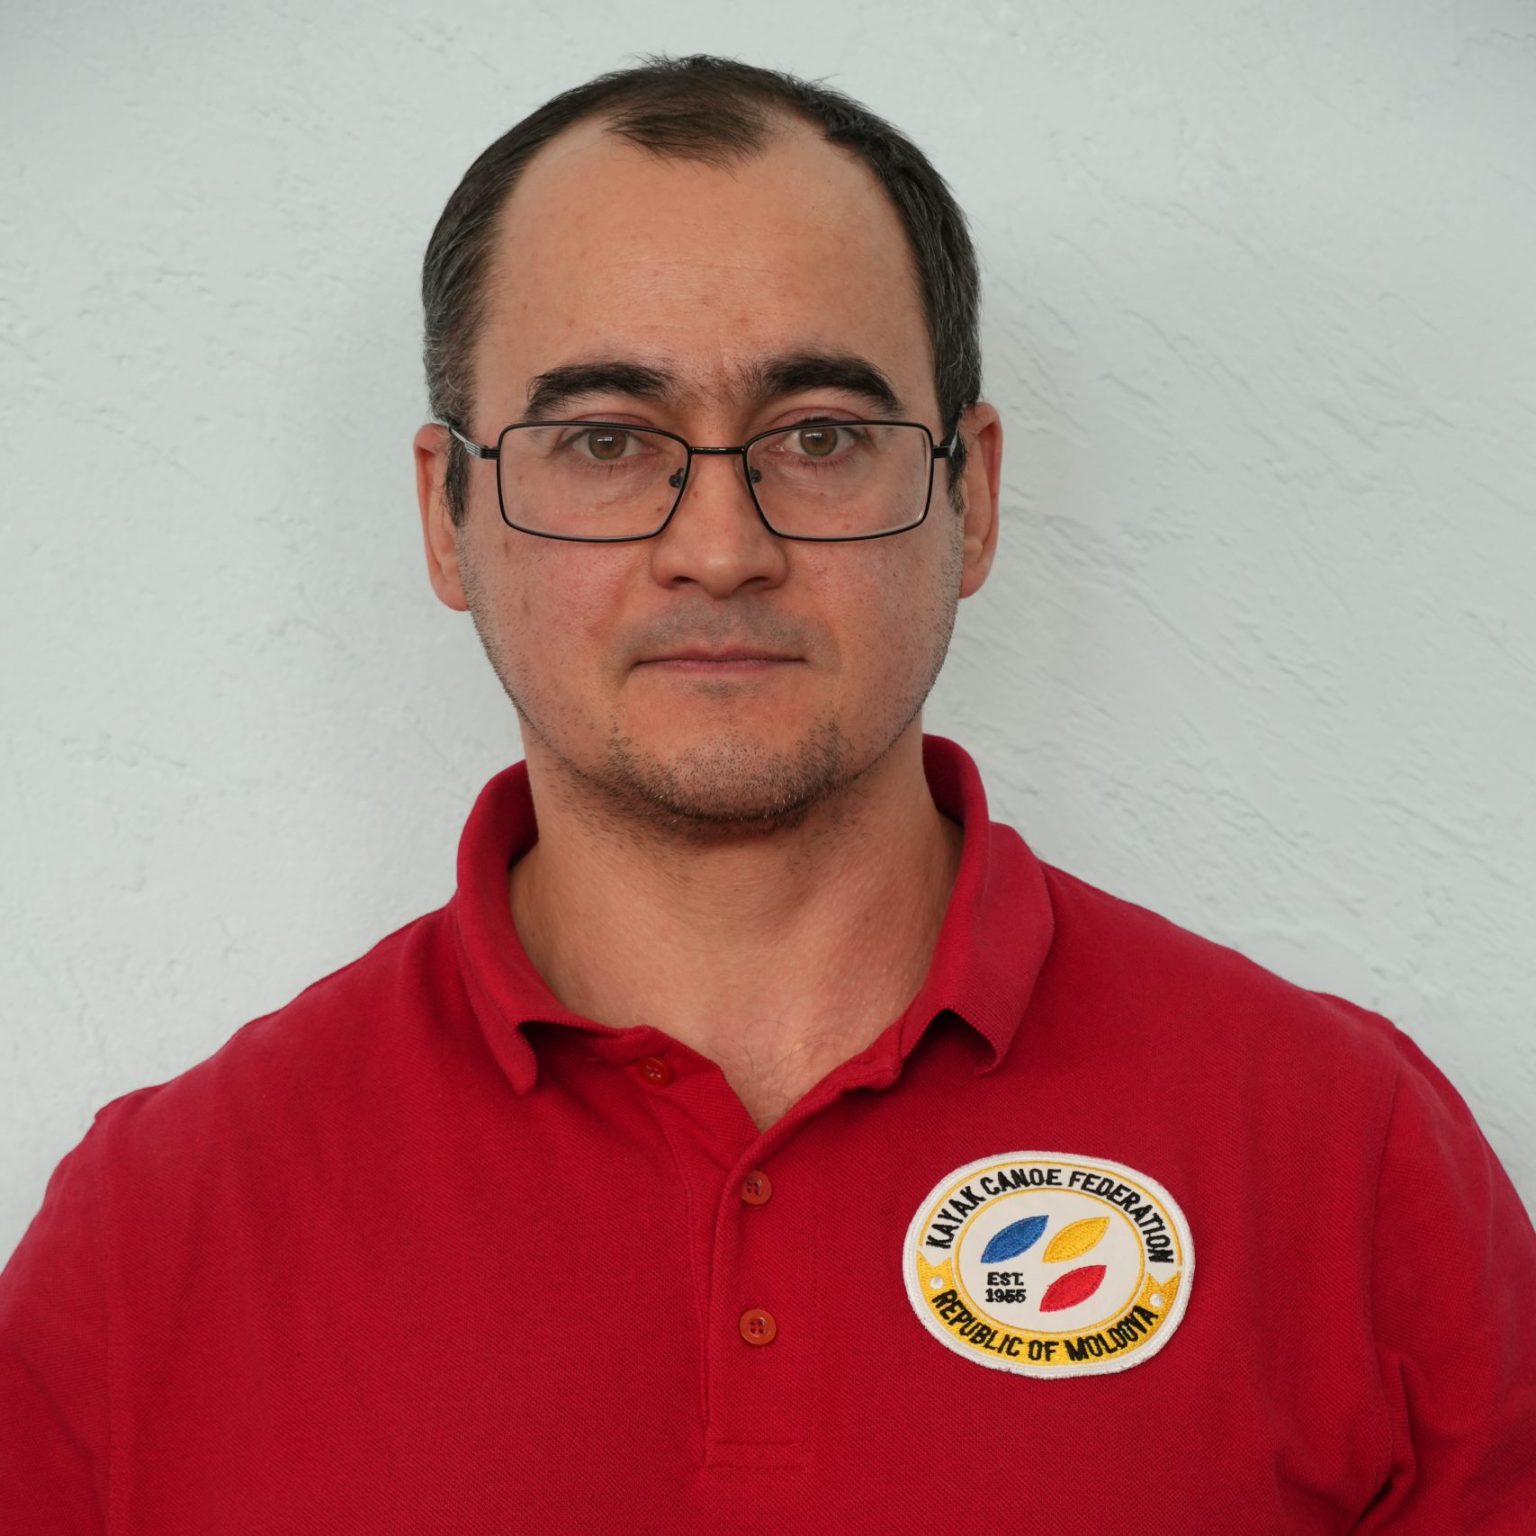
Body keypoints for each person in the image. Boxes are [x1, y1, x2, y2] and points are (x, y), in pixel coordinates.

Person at [3, 53, 1534, 1534]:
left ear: (972, 499)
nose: (721, 547)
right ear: (447, 516)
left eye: (820, 437)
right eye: (605, 441)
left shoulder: (1348, 1159)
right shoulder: (150, 1241)